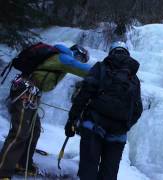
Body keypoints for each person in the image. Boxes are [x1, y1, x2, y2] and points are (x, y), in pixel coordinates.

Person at [0, 44, 91, 179]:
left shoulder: (59, 56)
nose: (79, 61)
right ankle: (3, 171)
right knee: (19, 132)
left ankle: (22, 163)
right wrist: (106, 71)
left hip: (31, 93)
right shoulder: (64, 58)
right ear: (77, 53)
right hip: (26, 91)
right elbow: (83, 70)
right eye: (81, 58)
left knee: (34, 131)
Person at [65, 41, 143, 180]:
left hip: (94, 124)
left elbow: (84, 93)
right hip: (119, 132)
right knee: (109, 174)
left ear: (111, 53)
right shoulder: (134, 78)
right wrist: (126, 124)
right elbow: (138, 108)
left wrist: (72, 119)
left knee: (88, 169)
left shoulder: (101, 67)